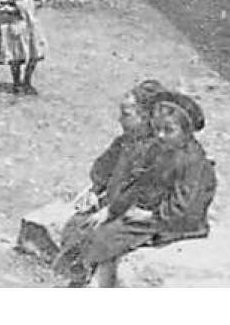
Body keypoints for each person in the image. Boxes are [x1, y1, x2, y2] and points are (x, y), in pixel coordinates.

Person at [72, 91, 217, 287]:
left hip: (178, 221)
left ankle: (93, 281)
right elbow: (139, 184)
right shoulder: (160, 151)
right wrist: (112, 209)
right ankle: (87, 275)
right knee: (94, 224)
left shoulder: (193, 162)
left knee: (108, 235)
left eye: (169, 130)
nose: (160, 135)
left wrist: (150, 216)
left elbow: (185, 206)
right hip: (151, 211)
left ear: (186, 132)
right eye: (157, 129)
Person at [55, 79, 169, 284]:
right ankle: (79, 276)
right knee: (77, 225)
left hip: (142, 214)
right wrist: (93, 191)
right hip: (114, 207)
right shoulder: (123, 142)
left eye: (126, 115)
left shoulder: (158, 152)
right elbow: (103, 169)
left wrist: (112, 211)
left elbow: (143, 193)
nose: (119, 120)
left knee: (102, 237)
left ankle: (95, 280)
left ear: (147, 118)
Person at [0, 0, 47, 95]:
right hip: (16, 25)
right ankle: (16, 82)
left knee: (35, 54)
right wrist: (11, 9)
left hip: (31, 25)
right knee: (16, 55)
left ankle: (27, 80)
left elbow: (39, 1)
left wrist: (37, 3)